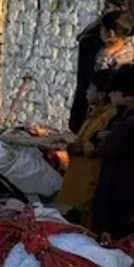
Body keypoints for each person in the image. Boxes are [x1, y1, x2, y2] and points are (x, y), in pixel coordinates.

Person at [69, 0, 134, 133]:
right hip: (93, 103)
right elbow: (85, 77)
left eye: (112, 6)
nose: (106, 10)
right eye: (106, 6)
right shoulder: (95, 33)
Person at [90, 64, 134, 241]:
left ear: (130, 96)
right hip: (120, 176)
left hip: (120, 180)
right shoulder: (125, 117)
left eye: (115, 92)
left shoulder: (132, 122)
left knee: (112, 231)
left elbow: (105, 148)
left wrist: (104, 137)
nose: (110, 95)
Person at [55, 68, 116, 228]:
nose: (87, 92)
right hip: (81, 172)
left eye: (91, 88)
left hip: (91, 174)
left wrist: (79, 147)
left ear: (102, 95)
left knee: (87, 218)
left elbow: (93, 144)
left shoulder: (107, 115)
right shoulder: (95, 113)